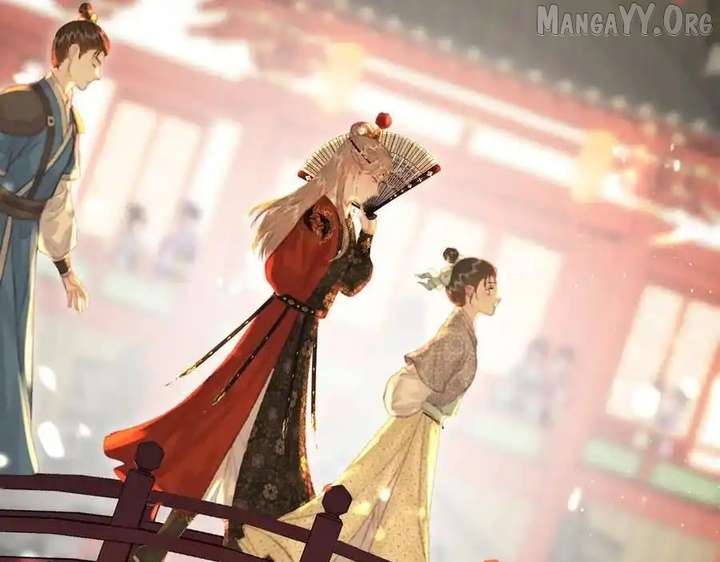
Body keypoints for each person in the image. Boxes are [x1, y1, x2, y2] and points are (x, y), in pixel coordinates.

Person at [104, 113, 441, 560]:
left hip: (297, 337)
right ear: (352, 169)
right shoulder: (321, 213)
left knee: (249, 434)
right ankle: (179, 544)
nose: (376, 186)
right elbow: (289, 274)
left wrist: (366, 238)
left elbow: (351, 283)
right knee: (234, 426)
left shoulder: (341, 218)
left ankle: (193, 544)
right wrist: (333, 265)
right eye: (374, 176)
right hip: (278, 334)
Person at [239, 247, 500, 561]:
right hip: (415, 426)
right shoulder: (455, 336)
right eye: (490, 288)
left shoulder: (462, 331)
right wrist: (422, 402)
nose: (496, 296)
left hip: (423, 426)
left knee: (387, 498)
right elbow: (411, 387)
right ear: (470, 292)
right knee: (381, 494)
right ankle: (289, 546)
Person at [0, 2, 109, 475]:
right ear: (71, 55)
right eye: (95, 62)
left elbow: (58, 201)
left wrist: (66, 269)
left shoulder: (72, 124)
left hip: (22, 240)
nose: (98, 75)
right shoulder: (19, 103)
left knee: (11, 343)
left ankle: (9, 460)